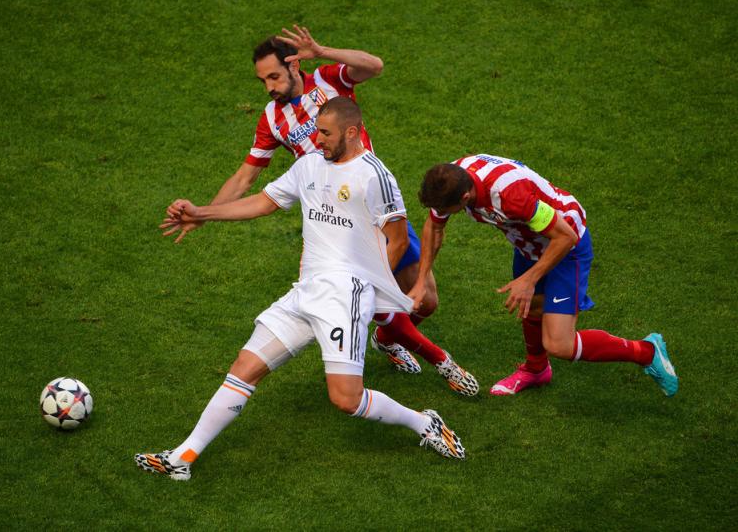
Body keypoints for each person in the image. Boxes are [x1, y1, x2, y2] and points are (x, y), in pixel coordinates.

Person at [136, 98, 465, 481]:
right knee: (245, 367)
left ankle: (424, 423)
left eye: (325, 133)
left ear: (351, 132)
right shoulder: (308, 165)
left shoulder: (374, 175)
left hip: (344, 297)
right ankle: (183, 457)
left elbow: (398, 240)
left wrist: (367, 285)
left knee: (346, 399)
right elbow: (263, 202)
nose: (317, 139)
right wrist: (201, 212)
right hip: (305, 292)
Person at [161, 25, 478, 394]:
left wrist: (322, 50)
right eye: (263, 81)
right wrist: (203, 213)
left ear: (294, 65)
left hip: (374, 204)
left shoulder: (329, 81)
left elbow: (374, 65)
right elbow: (246, 177)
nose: (268, 87)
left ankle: (386, 340)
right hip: (335, 225)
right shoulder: (272, 118)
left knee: (426, 301)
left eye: (274, 76)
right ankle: (441, 361)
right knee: (367, 293)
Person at [408, 153, 678, 397]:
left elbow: (565, 237)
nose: (442, 214)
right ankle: (536, 369)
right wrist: (421, 281)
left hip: (566, 245)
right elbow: (434, 227)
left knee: (559, 344)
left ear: (465, 198)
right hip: (528, 242)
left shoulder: (509, 195)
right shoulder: (451, 178)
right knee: (533, 309)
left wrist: (529, 279)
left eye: (447, 209)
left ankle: (647, 351)